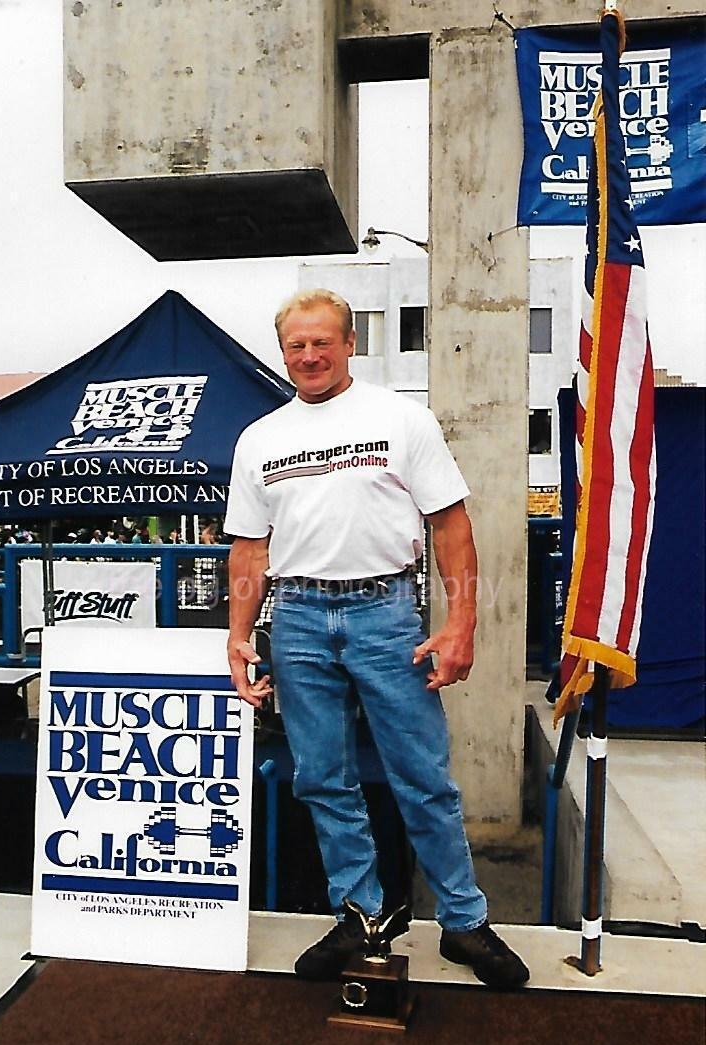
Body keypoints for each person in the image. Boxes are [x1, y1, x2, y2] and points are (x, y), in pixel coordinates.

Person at [224, 289, 529, 991]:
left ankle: (463, 921)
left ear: (350, 343)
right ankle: (360, 914)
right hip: (296, 618)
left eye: (322, 342)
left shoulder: (400, 419)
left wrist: (462, 624)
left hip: (385, 613)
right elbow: (248, 550)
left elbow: (451, 527)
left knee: (423, 777)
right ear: (283, 353)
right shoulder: (259, 439)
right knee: (322, 779)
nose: (310, 356)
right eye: (296, 346)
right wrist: (239, 636)